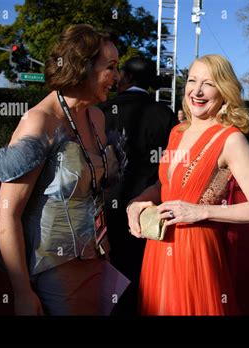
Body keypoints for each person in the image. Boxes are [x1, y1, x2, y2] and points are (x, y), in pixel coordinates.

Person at [126, 54, 249, 315]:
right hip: (159, 245)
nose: (197, 90)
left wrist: (201, 211)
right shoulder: (178, 131)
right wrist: (136, 203)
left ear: (224, 90)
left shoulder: (231, 139)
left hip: (197, 251)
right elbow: (166, 187)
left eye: (208, 83)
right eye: (192, 80)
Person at [0, 24, 121, 315]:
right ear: (82, 66)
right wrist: (22, 291)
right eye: (110, 67)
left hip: (97, 258)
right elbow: (7, 212)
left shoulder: (97, 117)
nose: (116, 76)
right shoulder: (39, 122)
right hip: (51, 268)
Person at [99, 56, 175, 315]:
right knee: (143, 272)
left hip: (107, 204)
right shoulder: (165, 114)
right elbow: (173, 164)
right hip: (150, 206)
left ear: (127, 77)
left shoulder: (103, 111)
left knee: (108, 268)